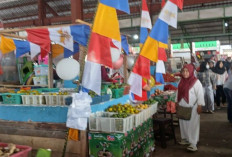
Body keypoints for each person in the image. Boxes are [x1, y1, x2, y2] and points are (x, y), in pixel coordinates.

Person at [176, 64, 205, 152]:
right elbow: (178, 92)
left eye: (187, 71)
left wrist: (200, 105)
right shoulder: (181, 81)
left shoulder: (196, 82)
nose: (185, 73)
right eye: (183, 71)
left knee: (193, 125)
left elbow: (200, 94)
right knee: (183, 122)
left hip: (193, 108)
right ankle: (185, 139)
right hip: (182, 106)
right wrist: (176, 102)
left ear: (191, 72)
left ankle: (193, 143)